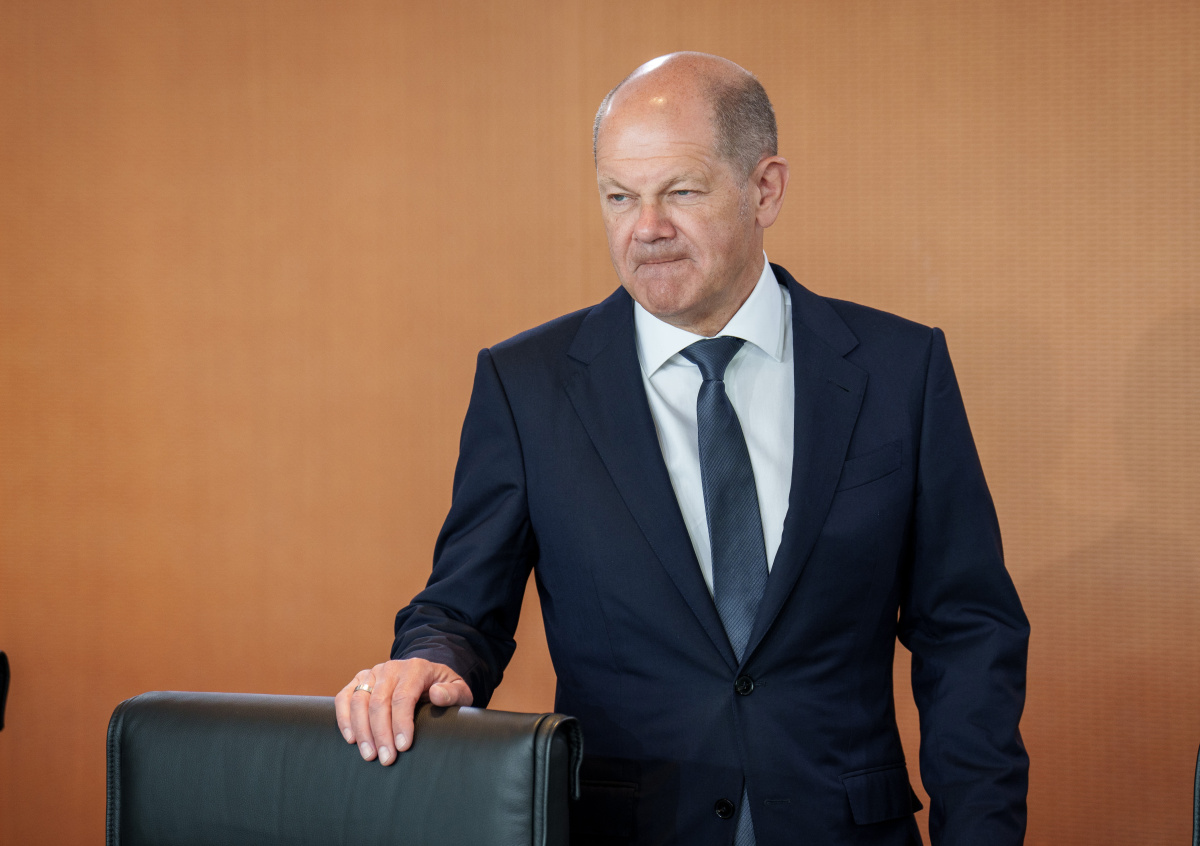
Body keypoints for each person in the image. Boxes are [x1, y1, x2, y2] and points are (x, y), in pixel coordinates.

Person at [335, 52, 1029, 845]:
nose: (647, 228)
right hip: (627, 827)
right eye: (619, 196)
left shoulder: (900, 369)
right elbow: (463, 608)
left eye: (682, 192)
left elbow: (966, 630)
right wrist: (432, 657)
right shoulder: (525, 385)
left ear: (765, 189)